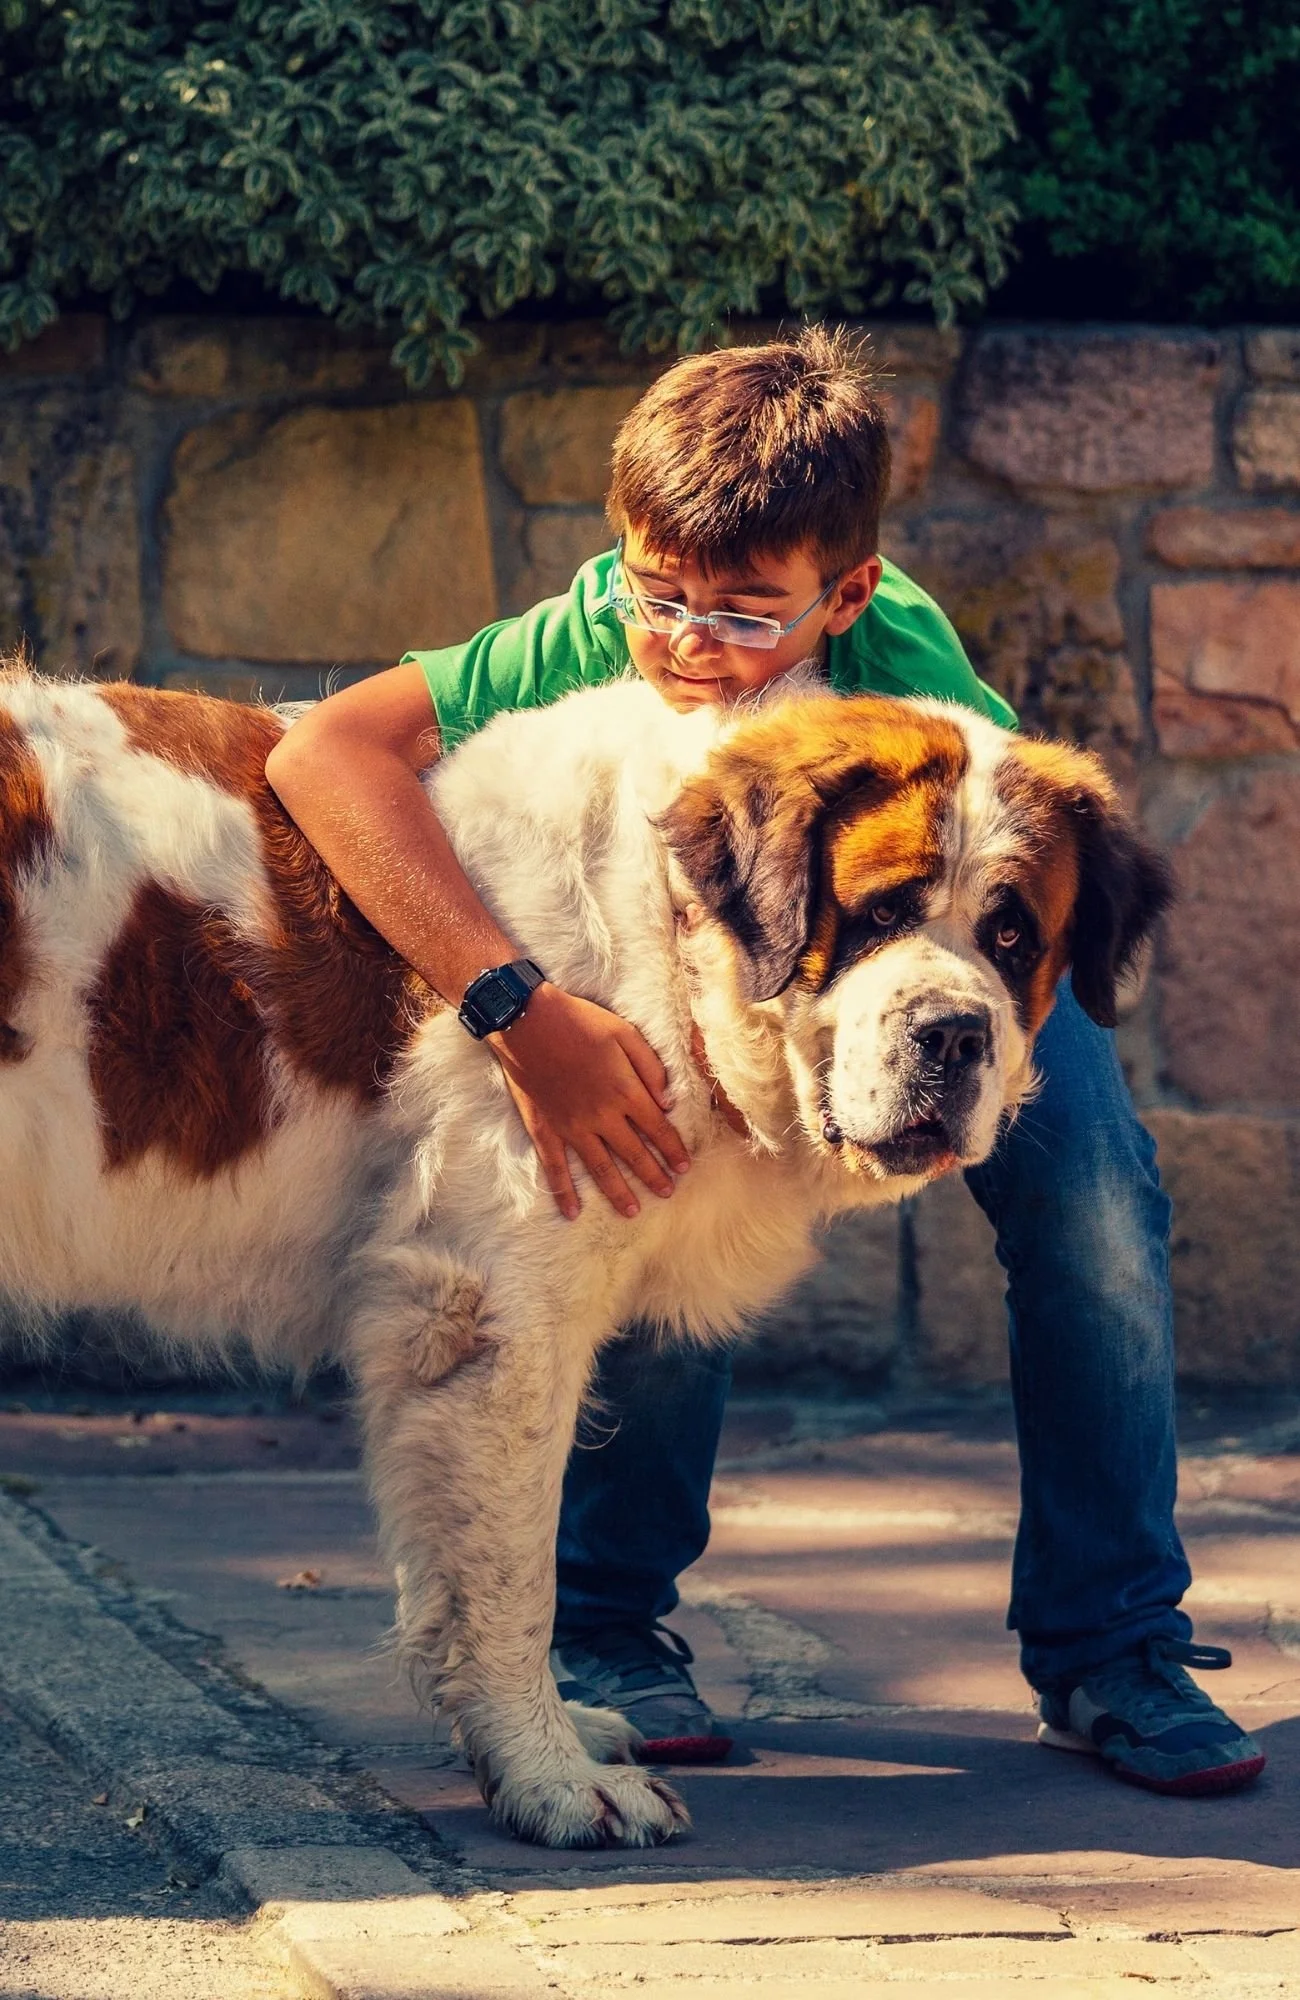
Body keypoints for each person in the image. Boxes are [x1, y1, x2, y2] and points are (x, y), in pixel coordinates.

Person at [266, 326, 1264, 1799]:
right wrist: (517, 1004)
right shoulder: (602, 620)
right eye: (657, 595)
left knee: (1097, 1201)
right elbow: (323, 755)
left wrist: (997, 1005)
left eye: (743, 616)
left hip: (957, 962)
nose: (685, 643)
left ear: (844, 595)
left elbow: (1011, 878)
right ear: (619, 561)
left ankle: (1116, 1644)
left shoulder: (909, 671)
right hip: (728, 979)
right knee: (648, 1161)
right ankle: (604, 1627)